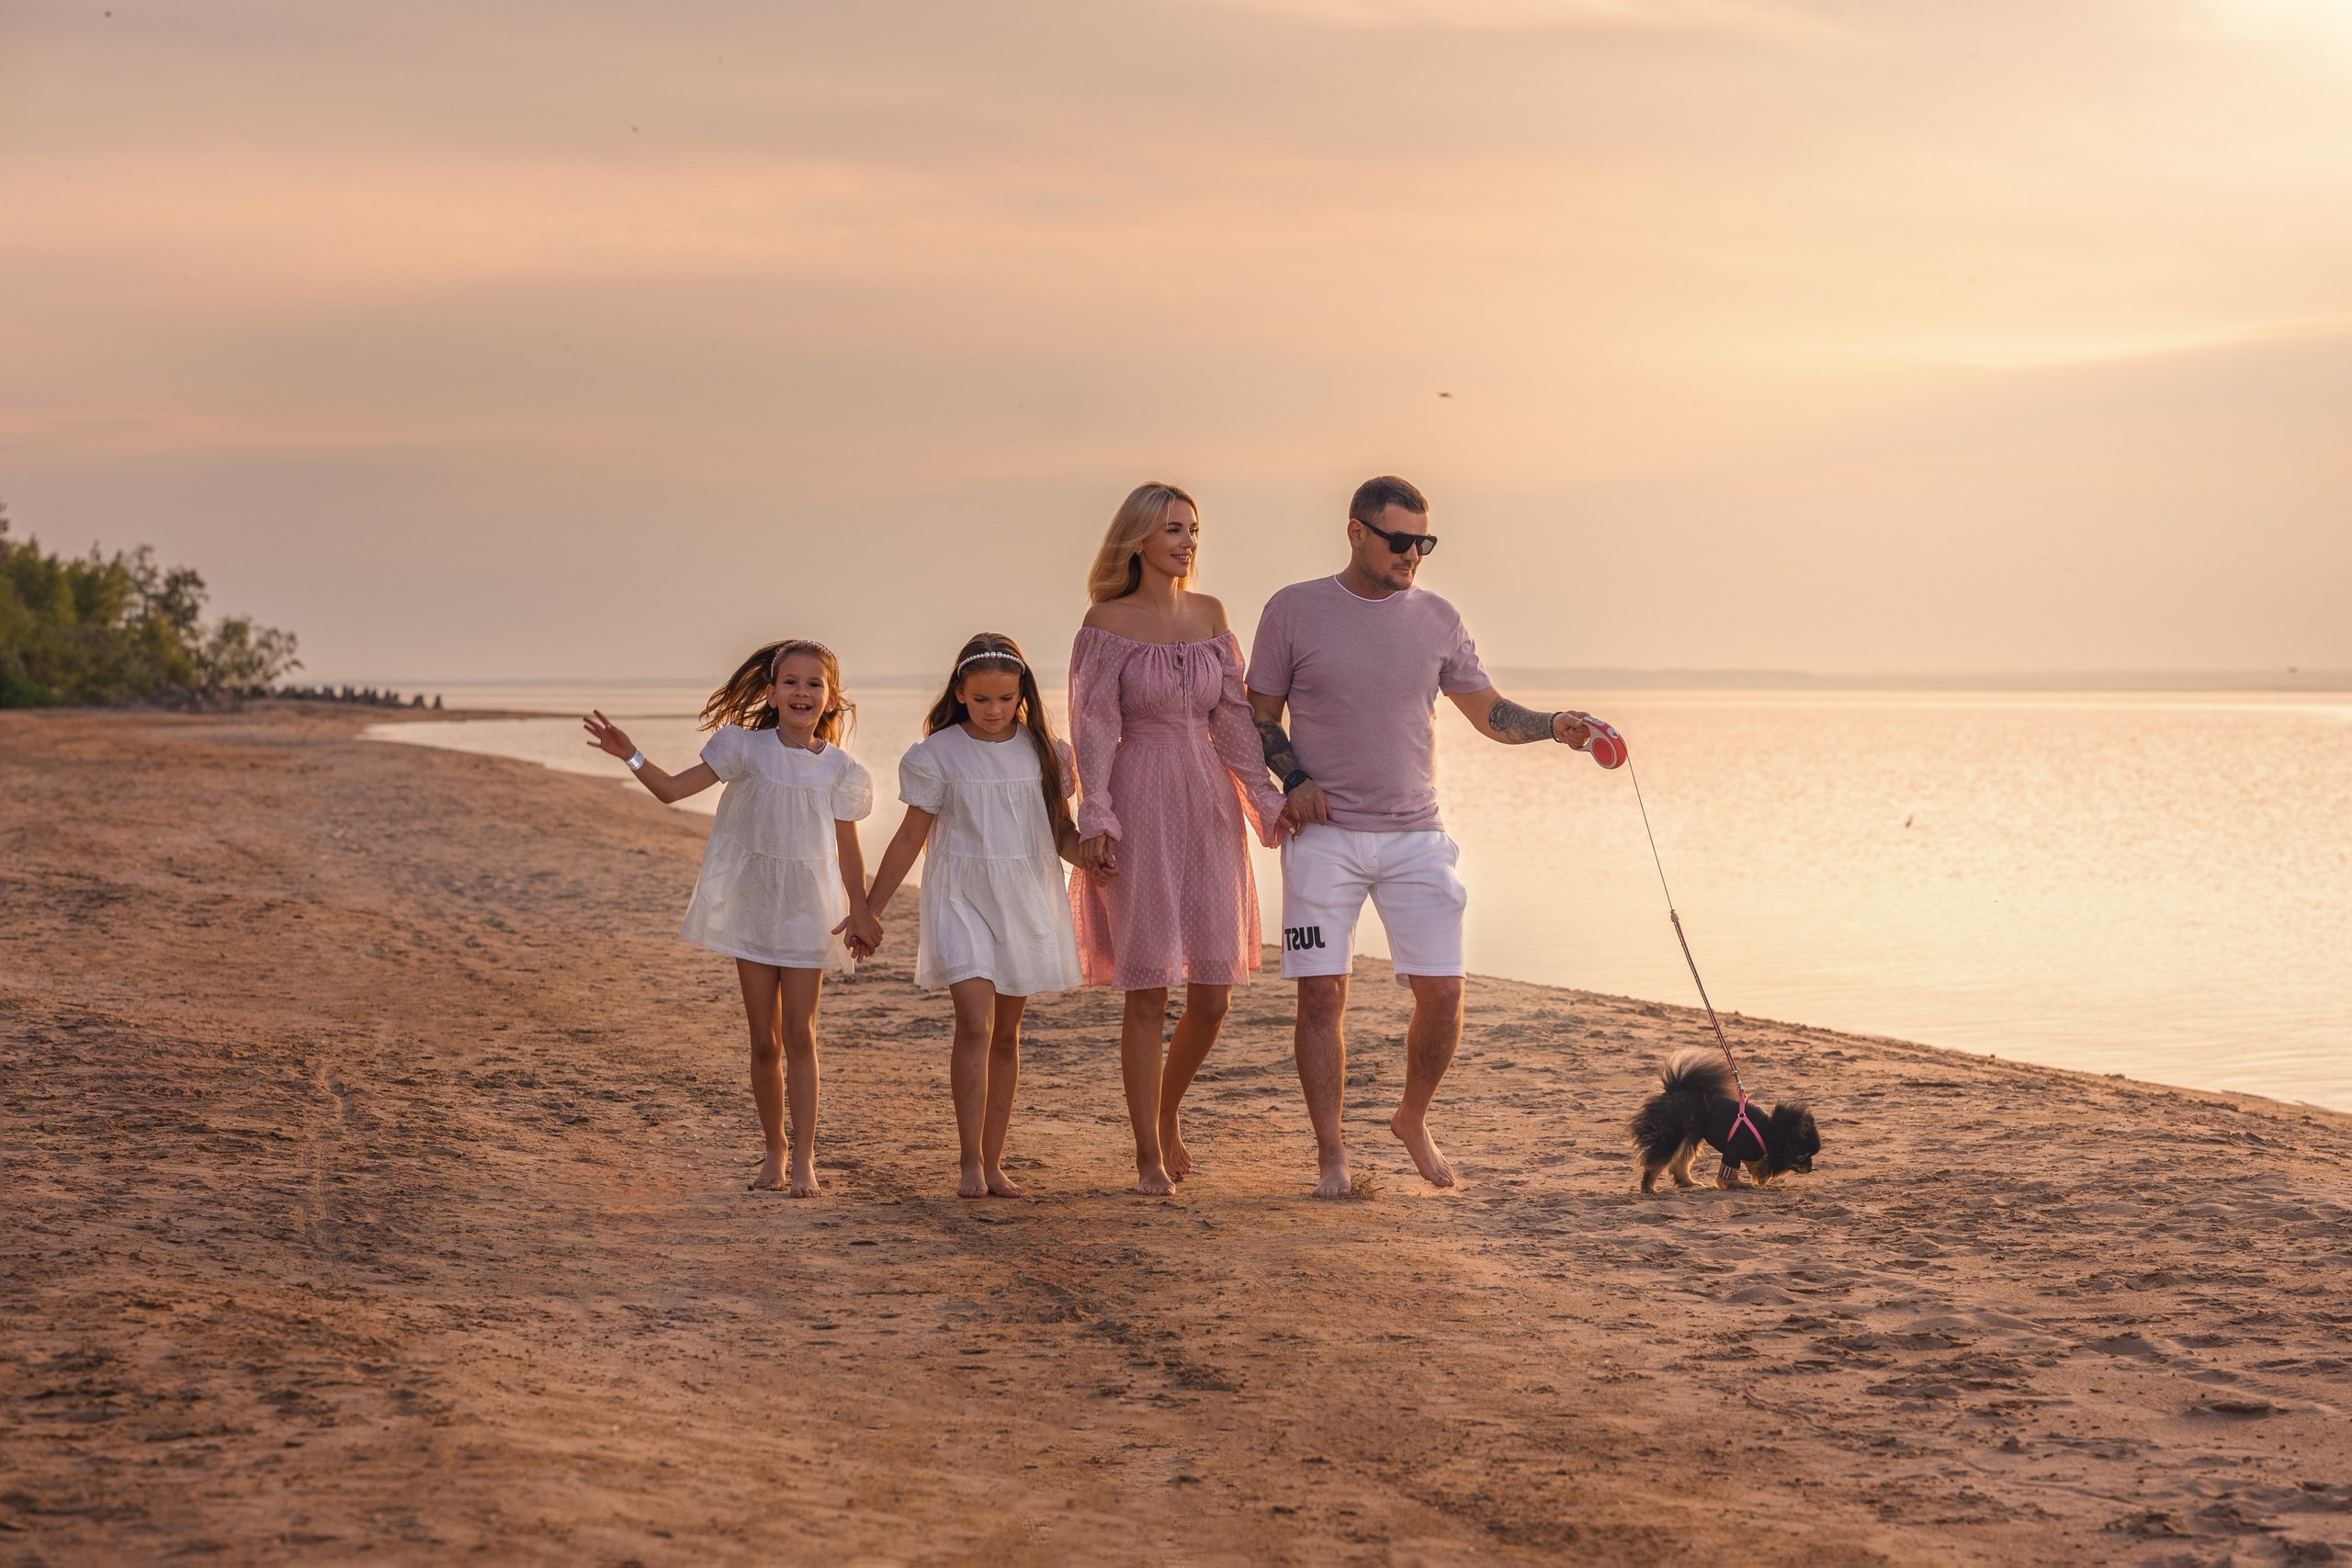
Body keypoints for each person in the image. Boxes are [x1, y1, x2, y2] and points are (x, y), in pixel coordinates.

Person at [1248, 476, 1599, 1199]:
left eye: (1423, 542)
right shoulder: (1292, 609)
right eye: (1399, 540)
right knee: (1321, 999)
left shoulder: (1438, 617)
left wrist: (1552, 724)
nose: (1413, 554)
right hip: (1325, 835)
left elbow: (1490, 712)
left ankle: (1412, 1116)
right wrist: (1294, 780)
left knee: (1442, 992)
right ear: (1356, 532)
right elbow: (1257, 718)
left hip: (1416, 835)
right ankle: (1332, 1155)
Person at [582, 640, 874, 1198]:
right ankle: (775, 1150)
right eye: (790, 682)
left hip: (808, 911)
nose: (802, 692)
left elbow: (849, 850)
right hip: (754, 905)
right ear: (770, 693)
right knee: (764, 1040)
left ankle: (807, 1160)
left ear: (830, 699)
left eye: (814, 684)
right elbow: (672, 791)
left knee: (801, 1035)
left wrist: (859, 908)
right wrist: (631, 754)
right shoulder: (745, 748)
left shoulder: (842, 771)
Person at [1069, 481, 1288, 1196]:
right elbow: (1094, 723)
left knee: (1215, 990)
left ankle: (1166, 1110)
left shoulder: (1210, 615)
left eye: (1192, 528)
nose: (1187, 540)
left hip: (1208, 798)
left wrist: (1261, 792)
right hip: (1140, 794)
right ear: (1138, 538)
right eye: (1172, 529)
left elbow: (1231, 717)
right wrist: (1095, 812)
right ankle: (1147, 1154)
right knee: (1148, 989)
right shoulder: (1105, 622)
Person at [864, 633, 1084, 1198]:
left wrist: (1095, 857)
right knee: (976, 1022)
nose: (994, 710)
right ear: (960, 692)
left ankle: (993, 1163)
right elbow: (912, 834)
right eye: (982, 699)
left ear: (1022, 695)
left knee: (1007, 1034)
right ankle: (968, 1163)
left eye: (1006, 699)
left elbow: (1060, 832)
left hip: (1025, 896)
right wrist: (869, 909)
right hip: (960, 896)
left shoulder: (1046, 752)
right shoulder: (937, 754)